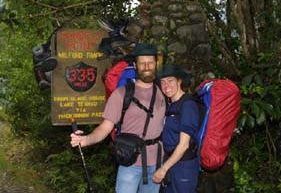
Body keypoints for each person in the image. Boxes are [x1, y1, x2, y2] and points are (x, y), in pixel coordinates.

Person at [70, 43, 166, 193]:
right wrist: (86, 139)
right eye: (142, 63)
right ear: (135, 65)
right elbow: (105, 127)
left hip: (156, 164)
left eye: (150, 62)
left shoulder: (164, 92)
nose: (147, 67)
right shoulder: (121, 94)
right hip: (130, 162)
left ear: (156, 64)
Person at [152, 65, 200, 193]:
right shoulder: (172, 106)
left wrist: (163, 169)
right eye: (162, 82)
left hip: (184, 166)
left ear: (179, 81)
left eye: (170, 80)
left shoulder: (188, 105)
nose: (166, 85)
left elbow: (184, 145)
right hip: (171, 163)